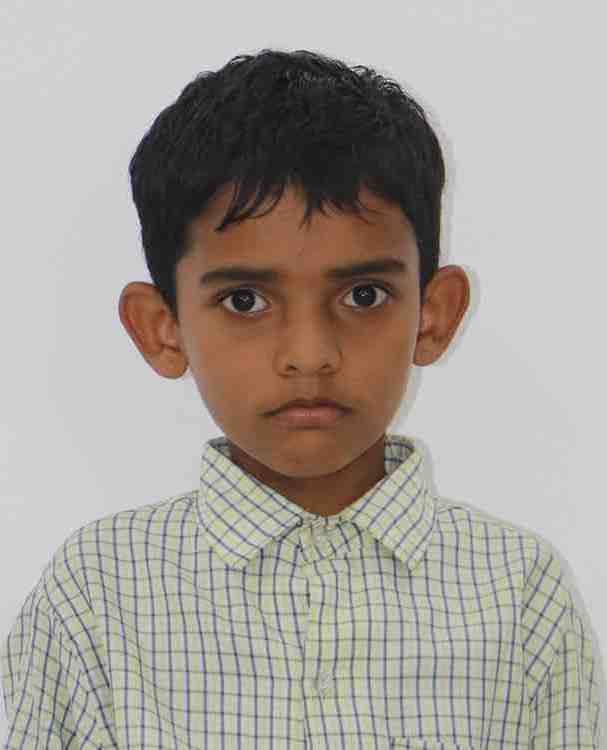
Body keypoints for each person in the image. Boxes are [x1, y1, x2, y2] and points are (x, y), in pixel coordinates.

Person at [1, 48, 601, 749]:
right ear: (162, 329)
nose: (309, 354)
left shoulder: (517, 591)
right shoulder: (98, 593)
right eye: (245, 300)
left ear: (432, 316)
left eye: (363, 295)